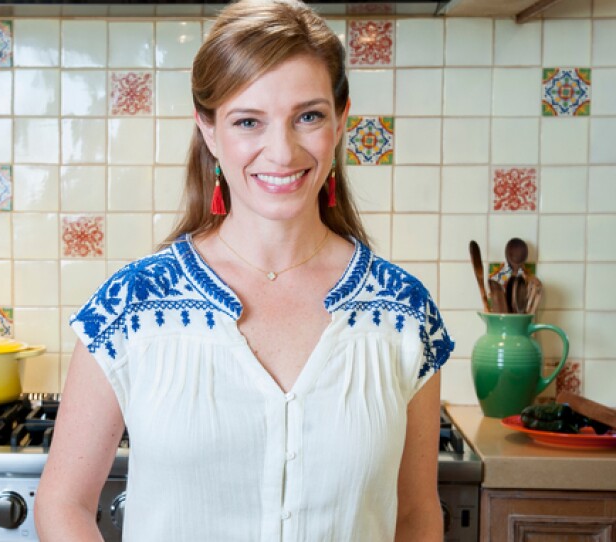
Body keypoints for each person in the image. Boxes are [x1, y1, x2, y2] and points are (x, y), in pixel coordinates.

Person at [35, 0, 453, 539]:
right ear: (209, 130)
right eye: (248, 121)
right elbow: (62, 502)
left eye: (308, 116)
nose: (281, 151)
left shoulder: (403, 312)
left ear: (342, 119)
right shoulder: (132, 306)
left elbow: (417, 514)